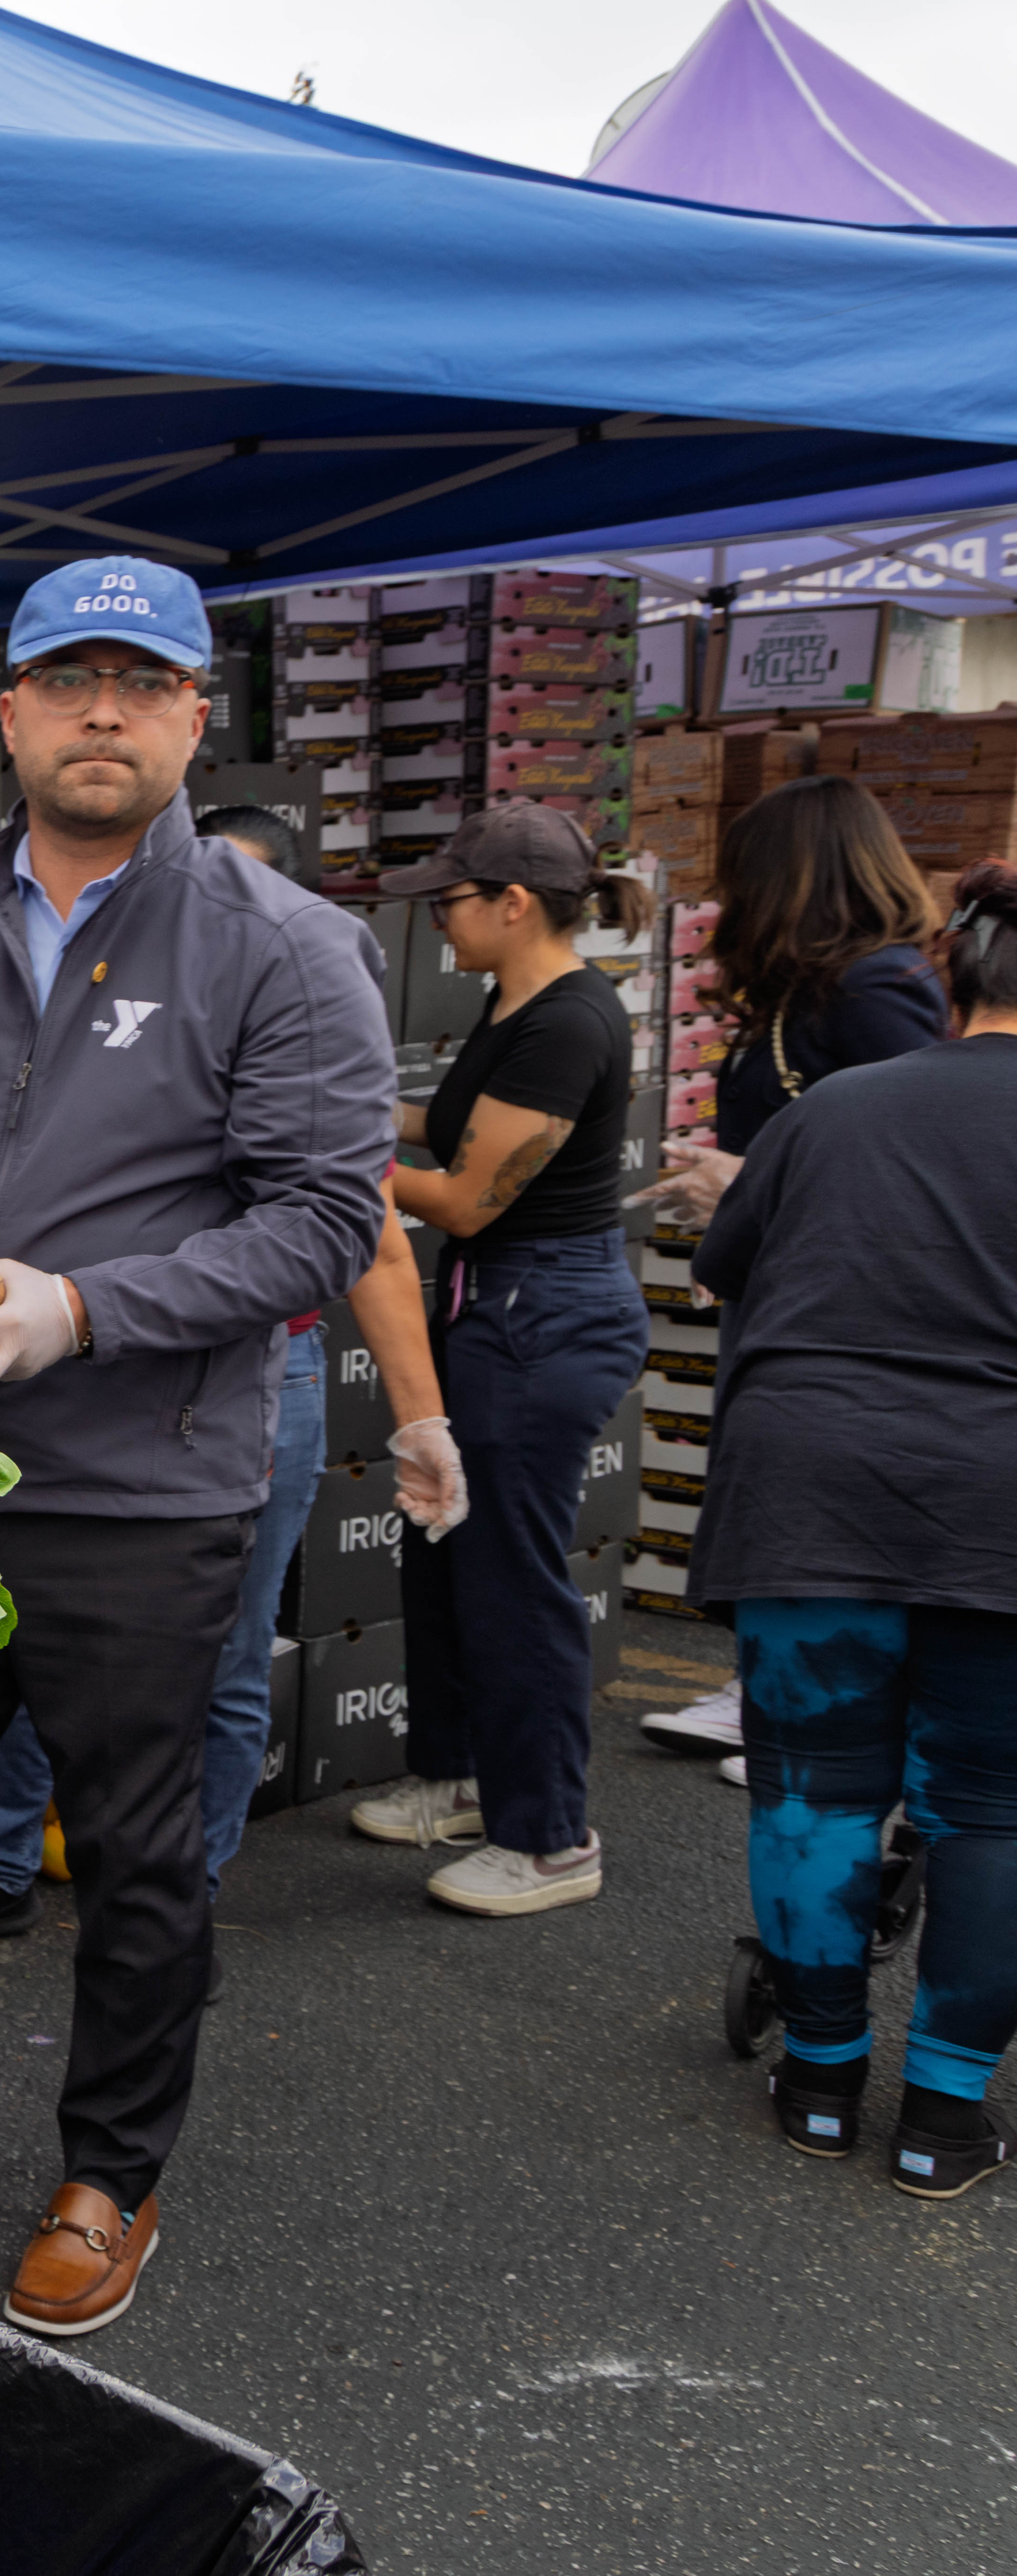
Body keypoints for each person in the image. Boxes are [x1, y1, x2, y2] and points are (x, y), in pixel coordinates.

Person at [0, 558, 394, 2335]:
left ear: (192, 719)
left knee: (136, 1851)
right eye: (68, 677)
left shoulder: (285, 946)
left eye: (141, 682)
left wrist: (82, 1311)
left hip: (142, 1488)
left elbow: (323, 1222)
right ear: (5, 712)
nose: (103, 709)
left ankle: (109, 2173)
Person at [0, 806, 462, 1951]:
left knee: (230, 1657)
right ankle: (0, 1863)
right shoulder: (77, 1004)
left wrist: (420, 1414)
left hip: (242, 1375)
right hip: (47, 1364)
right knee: (23, 1645)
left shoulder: (291, 992)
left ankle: (184, 1892)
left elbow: (372, 1232)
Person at [689, 861, 1017, 2199]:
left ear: (949, 971)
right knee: (989, 1811)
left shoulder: (836, 1112)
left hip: (808, 1485)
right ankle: (942, 2116)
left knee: (812, 1793)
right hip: (997, 1502)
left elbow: (728, 1267)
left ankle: (819, 2083)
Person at [354, 807, 654, 1916]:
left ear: (514, 902)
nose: (441, 919)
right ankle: (468, 1779)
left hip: (545, 1310)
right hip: (500, 1304)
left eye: (454, 899)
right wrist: (358, 1108)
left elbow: (472, 1195)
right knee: (444, 1544)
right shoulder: (517, 1000)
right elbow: (453, 1125)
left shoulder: (570, 1020)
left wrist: (341, 1152)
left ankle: (551, 1836)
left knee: (511, 1573)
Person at [631, 776, 946, 1765]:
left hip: (839, 1305)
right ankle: (780, 1691)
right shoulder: (820, 991)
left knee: (819, 1507)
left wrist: (745, 1179)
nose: (726, 901)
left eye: (742, 878)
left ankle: (820, 1712)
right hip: (785, 1284)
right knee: (779, 1497)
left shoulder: (878, 992)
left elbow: (908, 1156)